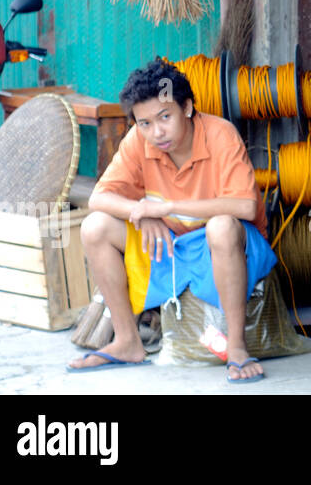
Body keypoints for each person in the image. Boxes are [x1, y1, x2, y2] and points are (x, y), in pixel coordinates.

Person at [66, 58, 275, 383]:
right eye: (145, 123)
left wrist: (164, 208)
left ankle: (236, 348)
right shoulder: (139, 140)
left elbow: (246, 207)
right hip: (173, 244)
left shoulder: (220, 134)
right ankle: (127, 341)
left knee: (221, 225)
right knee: (95, 227)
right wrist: (141, 214)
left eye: (165, 117)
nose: (156, 132)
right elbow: (99, 198)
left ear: (187, 107)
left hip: (228, 244)